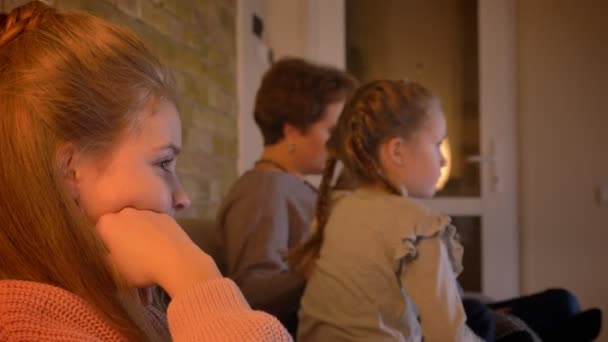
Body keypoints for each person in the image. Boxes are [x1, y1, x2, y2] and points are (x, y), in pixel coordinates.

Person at [0, 2, 291, 341]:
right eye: (163, 163)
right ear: (70, 170)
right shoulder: (24, 327)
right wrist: (195, 278)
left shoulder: (112, 298)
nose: (184, 198)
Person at [288, 79, 488, 341]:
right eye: (437, 144)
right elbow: (449, 336)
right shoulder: (418, 223)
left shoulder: (337, 207)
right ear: (397, 151)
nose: (443, 160)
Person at [212, 57, 357, 335]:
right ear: (291, 130)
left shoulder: (293, 186)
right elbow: (252, 294)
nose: (339, 143)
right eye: (331, 131)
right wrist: (324, 261)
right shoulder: (263, 190)